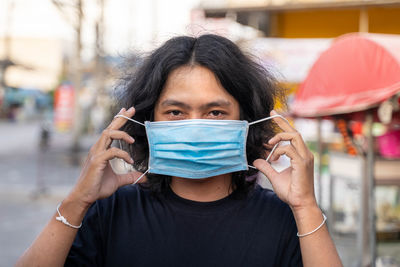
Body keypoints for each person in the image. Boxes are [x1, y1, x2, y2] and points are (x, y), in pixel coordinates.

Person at [16, 34, 342, 267]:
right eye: (175, 112)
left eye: (215, 112)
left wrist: (306, 207)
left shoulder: (285, 219)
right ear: (147, 120)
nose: (195, 125)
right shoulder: (110, 212)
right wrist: (76, 201)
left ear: (247, 121)